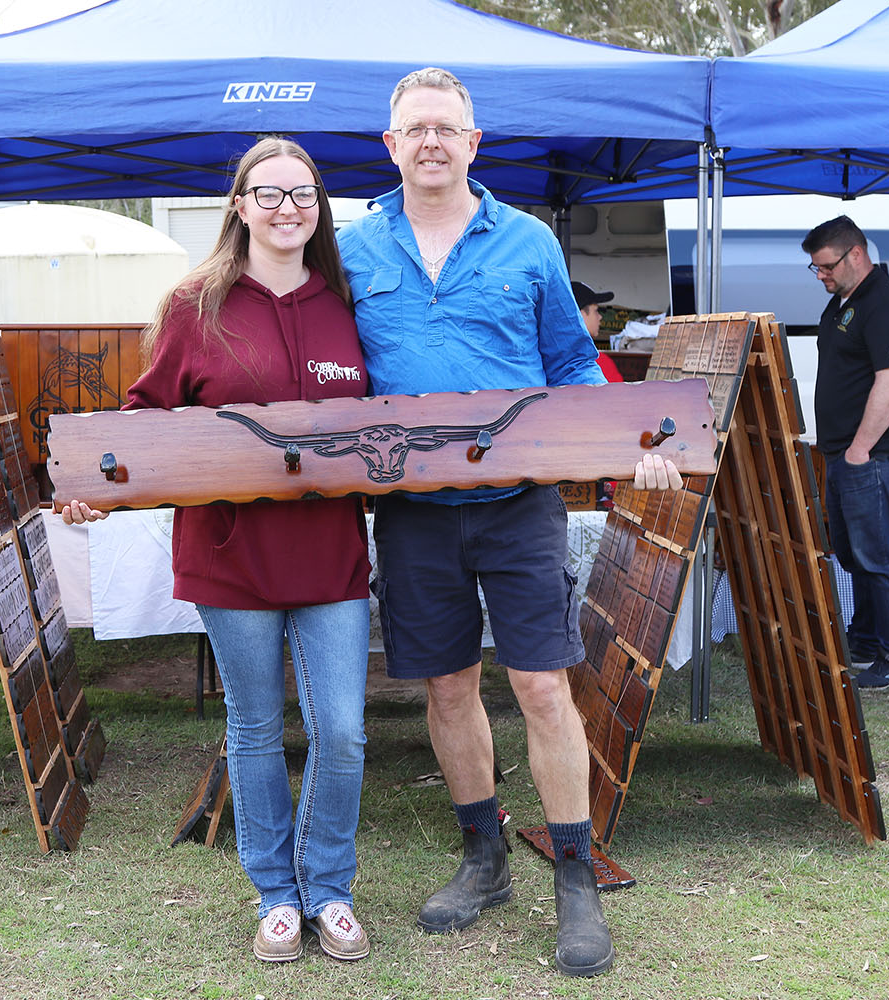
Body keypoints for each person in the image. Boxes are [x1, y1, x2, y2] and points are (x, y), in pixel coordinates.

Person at [337, 66, 681, 979]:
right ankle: (483, 857)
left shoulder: (526, 242)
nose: (431, 143)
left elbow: (572, 365)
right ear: (391, 144)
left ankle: (572, 873)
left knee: (539, 687)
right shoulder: (355, 249)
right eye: (415, 129)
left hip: (518, 508)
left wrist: (626, 445)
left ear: (473, 142)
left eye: (447, 128)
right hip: (411, 513)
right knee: (446, 689)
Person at [62, 138, 372, 964]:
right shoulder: (192, 306)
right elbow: (143, 415)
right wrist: (98, 477)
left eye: (301, 195)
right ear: (238, 206)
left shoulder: (347, 301)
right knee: (256, 726)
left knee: (341, 731)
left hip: (330, 553)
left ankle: (329, 887)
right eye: (267, 195)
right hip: (229, 553)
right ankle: (277, 893)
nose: (285, 210)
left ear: (319, 207)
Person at [802, 215, 889, 690]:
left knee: (880, 555)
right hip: (845, 454)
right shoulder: (842, 303)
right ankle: (868, 639)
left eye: (826, 266)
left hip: (875, 456)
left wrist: (859, 450)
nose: (821, 276)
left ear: (855, 254)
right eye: (815, 269)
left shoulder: (886, 304)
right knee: (854, 554)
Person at [571, 280, 624, 382]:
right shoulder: (599, 364)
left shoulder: (543, 360)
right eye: (595, 311)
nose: (600, 317)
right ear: (579, 315)